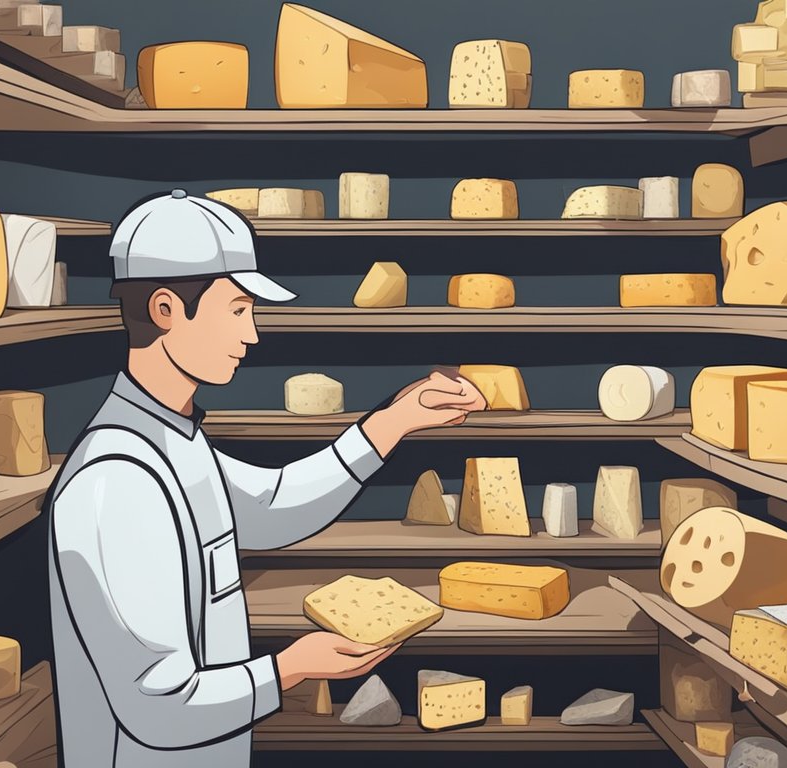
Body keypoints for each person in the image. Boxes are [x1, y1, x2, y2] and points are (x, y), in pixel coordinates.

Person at [46, 189, 486, 767]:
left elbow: (272, 505)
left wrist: (395, 420)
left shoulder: (174, 442)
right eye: (236, 310)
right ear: (164, 310)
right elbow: (157, 705)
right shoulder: (115, 482)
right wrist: (293, 666)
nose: (252, 334)